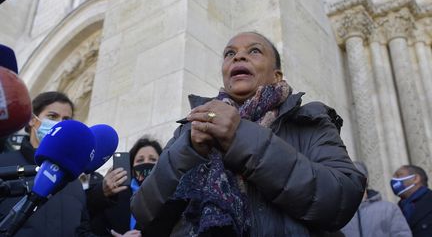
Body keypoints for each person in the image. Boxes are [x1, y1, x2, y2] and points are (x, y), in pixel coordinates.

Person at [130, 32, 366, 236]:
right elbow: (144, 214)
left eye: (254, 51)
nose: (238, 57)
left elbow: (341, 198)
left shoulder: (306, 120)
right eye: (229, 53)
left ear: (277, 76)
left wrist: (239, 136)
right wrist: (187, 151)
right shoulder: (191, 127)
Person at [0, 91, 94, 236]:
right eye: (52, 116)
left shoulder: (73, 180)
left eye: (66, 120)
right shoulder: (3, 165)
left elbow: (82, 231)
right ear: (32, 120)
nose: (59, 124)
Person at [86, 137, 162, 237]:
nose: (145, 163)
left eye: (152, 159)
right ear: (132, 166)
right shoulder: (115, 197)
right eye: (140, 160)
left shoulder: (170, 194)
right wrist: (101, 192)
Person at [341, 161, 412, 237]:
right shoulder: (336, 212)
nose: (350, 180)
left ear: (366, 179)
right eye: (345, 176)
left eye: (354, 175)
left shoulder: (389, 209)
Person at [391, 165, 432, 237]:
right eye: (393, 177)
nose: (393, 181)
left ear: (416, 179)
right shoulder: (395, 210)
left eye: (398, 176)